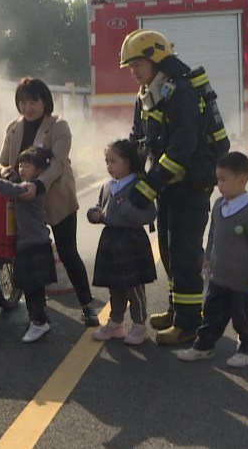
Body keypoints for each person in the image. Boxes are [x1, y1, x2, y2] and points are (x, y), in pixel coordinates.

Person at [120, 29, 219, 345]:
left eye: (137, 64)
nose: (133, 71)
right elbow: (139, 138)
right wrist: (127, 168)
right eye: (130, 65)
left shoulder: (182, 93)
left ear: (157, 59)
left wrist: (149, 185)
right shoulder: (148, 93)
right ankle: (177, 310)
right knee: (167, 250)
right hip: (169, 186)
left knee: (185, 253)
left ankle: (189, 324)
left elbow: (182, 148)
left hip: (191, 186)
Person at [0, 77, 99, 328]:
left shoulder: (59, 126)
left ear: (45, 102)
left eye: (33, 102)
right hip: (25, 204)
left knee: (67, 252)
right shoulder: (13, 128)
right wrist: (4, 172)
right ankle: (38, 316)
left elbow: (58, 163)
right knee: (31, 254)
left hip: (56, 197)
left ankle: (87, 306)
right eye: (23, 102)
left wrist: (38, 185)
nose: (27, 107)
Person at [175, 152, 248, 368]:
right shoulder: (218, 205)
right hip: (218, 275)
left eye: (224, 180)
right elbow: (212, 234)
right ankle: (203, 346)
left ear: (241, 181)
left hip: (240, 279)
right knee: (211, 315)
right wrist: (208, 257)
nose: (219, 185)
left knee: (244, 317)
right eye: (218, 179)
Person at [0, 148, 58, 343]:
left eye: (27, 166)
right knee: (33, 288)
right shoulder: (26, 184)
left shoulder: (32, 189)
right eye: (20, 165)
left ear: (39, 171)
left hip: (34, 244)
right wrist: (11, 176)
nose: (22, 169)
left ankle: (38, 323)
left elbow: (14, 190)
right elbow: (15, 185)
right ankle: (39, 319)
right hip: (31, 243)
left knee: (32, 287)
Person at [86, 139, 158, 345]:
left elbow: (150, 214)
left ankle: (139, 326)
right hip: (111, 239)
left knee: (133, 287)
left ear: (128, 162)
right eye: (107, 161)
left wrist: (128, 211)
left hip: (132, 239)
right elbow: (100, 206)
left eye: (113, 161)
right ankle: (115, 323)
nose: (108, 166)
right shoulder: (108, 185)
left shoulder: (139, 186)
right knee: (115, 286)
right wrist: (94, 214)